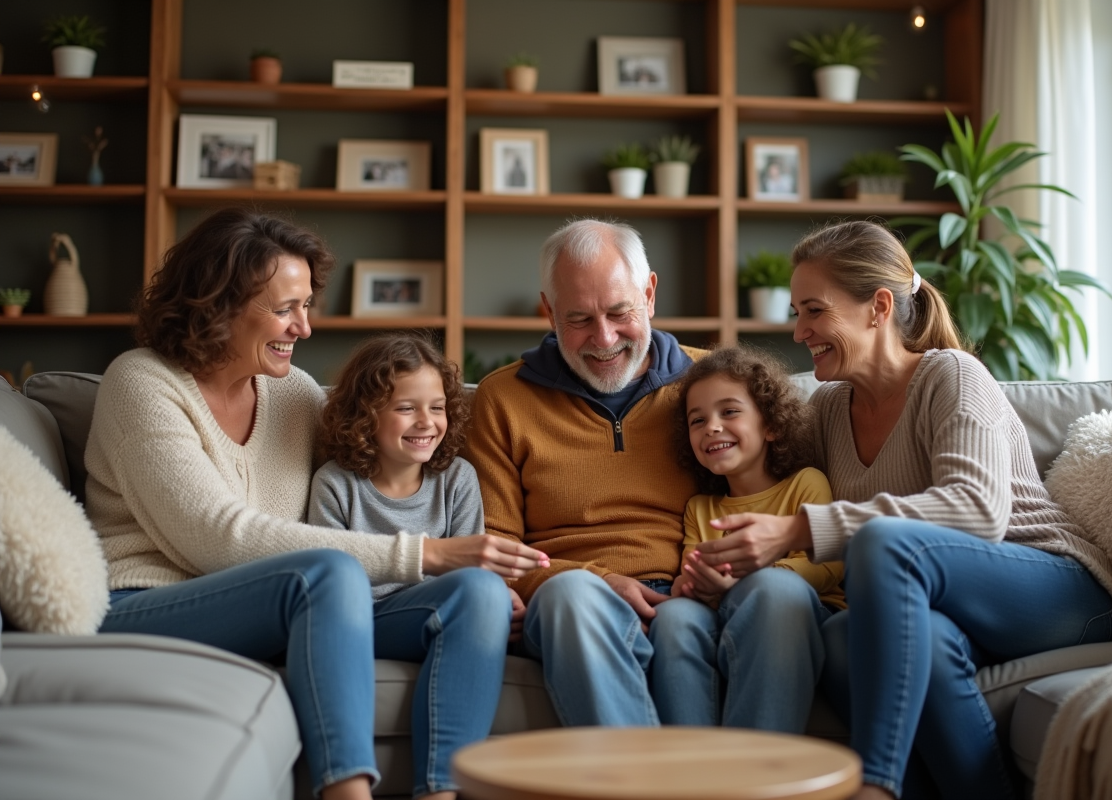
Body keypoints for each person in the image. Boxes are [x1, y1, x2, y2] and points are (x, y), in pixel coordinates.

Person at [87, 208, 547, 800]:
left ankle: (441, 792)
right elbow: (216, 538)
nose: (304, 328)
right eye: (284, 309)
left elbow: (377, 463)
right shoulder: (142, 383)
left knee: (476, 593)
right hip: (142, 605)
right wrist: (428, 554)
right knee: (326, 574)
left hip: (270, 608)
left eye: (306, 306)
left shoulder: (295, 395)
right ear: (217, 302)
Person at [691, 220, 1112, 800]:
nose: (799, 331)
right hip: (948, 611)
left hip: (1055, 590)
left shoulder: (952, 376)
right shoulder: (829, 411)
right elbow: (765, 467)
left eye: (814, 311)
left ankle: (876, 784)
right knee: (845, 638)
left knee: (882, 541)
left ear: (879, 307)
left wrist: (797, 529)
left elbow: (977, 511)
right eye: (797, 313)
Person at [462, 217, 706, 727]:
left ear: (650, 292)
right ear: (548, 311)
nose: (604, 338)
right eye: (579, 319)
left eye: (620, 312)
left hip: (687, 592)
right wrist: (599, 581)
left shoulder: (714, 385)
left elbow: (759, 502)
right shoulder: (503, 398)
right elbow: (496, 546)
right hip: (565, 595)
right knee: (575, 599)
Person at [308, 332, 546, 797]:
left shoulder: (457, 479)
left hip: (438, 618)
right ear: (366, 413)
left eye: (436, 407)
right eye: (405, 408)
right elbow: (333, 586)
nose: (426, 422)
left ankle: (439, 791)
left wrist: (501, 594)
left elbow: (470, 573)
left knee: (485, 592)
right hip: (361, 621)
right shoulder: (335, 484)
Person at [648, 345, 844, 733]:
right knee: (673, 616)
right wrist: (692, 587)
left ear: (771, 424)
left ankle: (754, 772)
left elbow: (829, 565)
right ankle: (689, 772)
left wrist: (750, 579)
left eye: (730, 411)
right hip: (722, 614)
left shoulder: (806, 483)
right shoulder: (700, 509)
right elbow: (692, 575)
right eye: (697, 420)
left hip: (801, 615)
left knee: (772, 589)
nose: (712, 427)